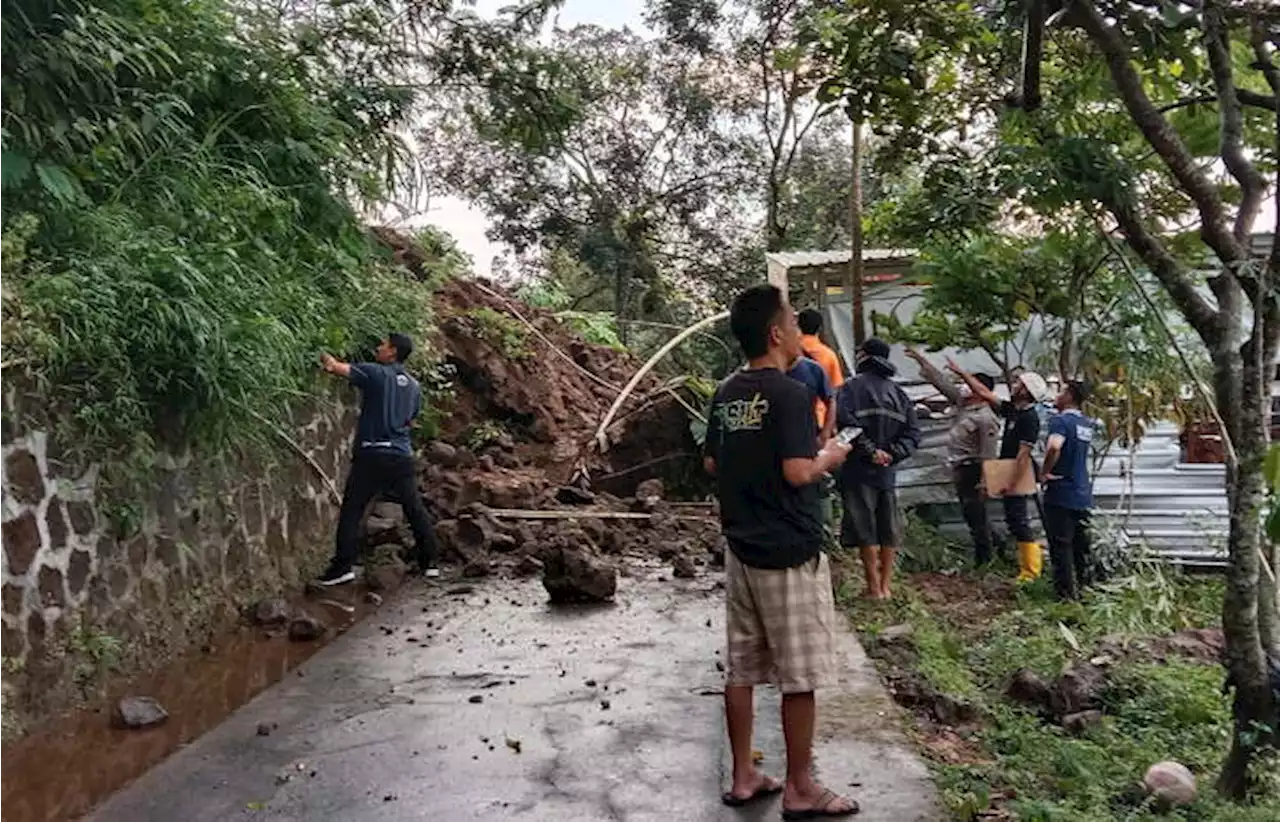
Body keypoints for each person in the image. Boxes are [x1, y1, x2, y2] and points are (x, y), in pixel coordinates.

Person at [704, 284, 858, 818]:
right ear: (775, 333)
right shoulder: (791, 394)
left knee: (742, 669)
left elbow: (712, 464)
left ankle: (744, 773)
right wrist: (830, 456)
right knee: (800, 675)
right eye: (793, 323)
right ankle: (799, 786)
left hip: (740, 548)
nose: (799, 332)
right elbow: (798, 471)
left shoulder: (726, 392)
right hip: (788, 550)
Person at [315, 333, 439, 586]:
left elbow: (334, 367)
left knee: (352, 511)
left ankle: (342, 567)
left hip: (372, 454)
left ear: (393, 352)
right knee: (414, 509)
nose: (378, 348)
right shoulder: (414, 386)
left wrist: (317, 349)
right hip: (401, 456)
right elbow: (411, 421)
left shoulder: (374, 373)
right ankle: (430, 563)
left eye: (383, 345)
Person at [948, 360, 1054, 582]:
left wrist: (1012, 481)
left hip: (1019, 470)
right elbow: (984, 393)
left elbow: (1023, 454)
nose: (1015, 386)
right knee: (1013, 519)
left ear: (1028, 392)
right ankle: (1025, 568)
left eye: (1019, 384)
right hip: (1008, 468)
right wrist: (962, 372)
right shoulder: (1013, 411)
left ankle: (1031, 571)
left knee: (1018, 520)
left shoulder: (1029, 418)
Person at [836, 338, 920, 600]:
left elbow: (845, 424)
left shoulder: (849, 389)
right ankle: (886, 587)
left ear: (864, 356)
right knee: (887, 528)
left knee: (865, 527)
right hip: (887, 471)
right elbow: (913, 434)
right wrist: (890, 454)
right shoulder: (900, 395)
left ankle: (872, 587)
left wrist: (870, 451)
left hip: (858, 469)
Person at [906, 348, 1001, 566]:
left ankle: (985, 560)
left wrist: (985, 481)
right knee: (971, 515)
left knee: (976, 516)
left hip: (974, 470)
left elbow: (989, 454)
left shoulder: (986, 418)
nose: (964, 388)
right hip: (960, 469)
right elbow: (941, 383)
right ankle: (994, 550)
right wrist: (922, 360)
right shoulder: (963, 405)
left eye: (971, 384)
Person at [1042, 380, 1096, 600]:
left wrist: (1044, 471)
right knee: (1081, 547)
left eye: (1061, 390)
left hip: (1061, 491)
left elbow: (1055, 446)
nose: (1056, 394)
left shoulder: (1061, 421)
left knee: (1060, 546)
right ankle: (1086, 590)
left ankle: (1065, 596)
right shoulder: (1086, 423)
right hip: (1083, 492)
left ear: (1070, 395)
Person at [798, 308, 846, 421]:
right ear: (820, 328)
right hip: (821, 417)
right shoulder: (829, 355)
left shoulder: (788, 351)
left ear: (798, 326)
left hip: (794, 415)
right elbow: (836, 389)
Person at [787, 354, 836, 443]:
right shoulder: (770, 372)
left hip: (809, 435)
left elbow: (831, 400)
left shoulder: (813, 369)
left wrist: (825, 433)